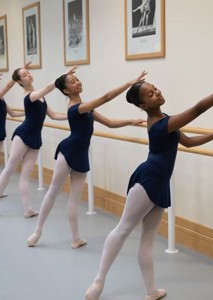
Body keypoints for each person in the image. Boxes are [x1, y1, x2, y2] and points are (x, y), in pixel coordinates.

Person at [85, 65, 213, 300]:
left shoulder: (165, 119)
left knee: (147, 239)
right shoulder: (159, 125)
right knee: (124, 228)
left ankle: (151, 291)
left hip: (161, 183)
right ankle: (98, 282)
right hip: (147, 180)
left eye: (154, 88)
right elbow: (198, 108)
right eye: (150, 93)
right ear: (143, 105)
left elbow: (188, 143)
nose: (156, 92)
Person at [26, 70, 146, 249]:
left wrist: (130, 121)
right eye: (72, 82)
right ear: (66, 90)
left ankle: (75, 238)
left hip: (81, 153)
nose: (77, 82)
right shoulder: (76, 108)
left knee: (74, 198)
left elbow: (109, 123)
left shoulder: (86, 107)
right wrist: (129, 83)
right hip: (68, 151)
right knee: (53, 190)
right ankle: (37, 231)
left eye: (77, 79)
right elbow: (105, 97)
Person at [0, 64, 74, 217]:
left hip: (35, 138)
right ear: (20, 82)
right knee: (10, 168)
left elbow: (53, 116)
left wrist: (72, 115)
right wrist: (62, 78)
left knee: (25, 175)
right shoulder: (30, 95)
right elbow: (47, 88)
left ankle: (28, 209)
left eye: (28, 73)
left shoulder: (40, 97)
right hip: (23, 135)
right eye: (24, 75)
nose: (28, 75)